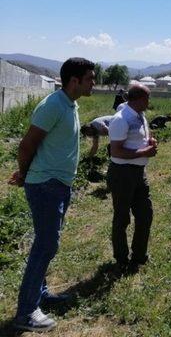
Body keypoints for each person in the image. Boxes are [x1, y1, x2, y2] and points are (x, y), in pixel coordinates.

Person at [9, 57, 95, 332]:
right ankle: (26, 312)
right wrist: (24, 175)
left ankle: (40, 293)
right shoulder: (53, 105)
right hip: (46, 184)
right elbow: (26, 145)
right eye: (90, 78)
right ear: (74, 81)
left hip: (58, 184)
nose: (94, 82)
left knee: (46, 242)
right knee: (46, 245)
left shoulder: (70, 104)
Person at [107, 84, 157, 272]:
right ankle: (121, 259)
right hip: (122, 174)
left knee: (145, 214)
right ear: (138, 99)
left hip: (138, 173)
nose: (149, 102)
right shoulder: (121, 119)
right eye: (147, 98)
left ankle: (139, 255)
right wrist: (145, 151)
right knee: (122, 218)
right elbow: (116, 151)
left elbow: (142, 137)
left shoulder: (140, 116)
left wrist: (150, 142)